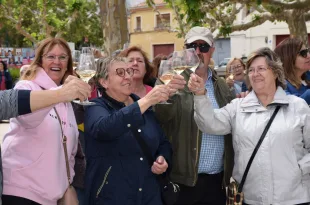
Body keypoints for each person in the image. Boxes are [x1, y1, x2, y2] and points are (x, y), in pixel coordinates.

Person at [189, 47, 310, 205]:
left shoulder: (297, 106)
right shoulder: (238, 107)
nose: (255, 74)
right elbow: (209, 123)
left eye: (261, 69)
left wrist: (300, 170)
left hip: (293, 198)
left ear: (275, 72)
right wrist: (199, 95)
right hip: (251, 199)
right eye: (251, 70)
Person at [155, 26, 234, 205]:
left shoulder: (221, 85)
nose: (198, 52)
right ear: (185, 50)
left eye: (203, 47)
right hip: (183, 182)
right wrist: (165, 97)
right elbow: (159, 119)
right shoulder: (170, 80)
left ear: (212, 50)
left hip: (217, 181)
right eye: (192, 47)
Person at [2, 37, 80, 205]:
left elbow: (70, 151)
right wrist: (61, 92)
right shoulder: (26, 87)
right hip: (21, 190)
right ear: (40, 60)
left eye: (62, 57)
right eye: (50, 56)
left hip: (52, 197)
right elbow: (29, 120)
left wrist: (67, 185)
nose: (57, 61)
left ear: (68, 63)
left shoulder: (67, 101)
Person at [83, 57, 172, 205]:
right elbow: (105, 128)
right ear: (104, 82)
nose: (128, 77)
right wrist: (145, 102)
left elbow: (163, 142)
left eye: (129, 71)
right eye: (120, 72)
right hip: (112, 198)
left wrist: (163, 158)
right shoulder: (95, 107)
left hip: (149, 196)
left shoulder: (146, 109)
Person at [274, 37, 310, 104]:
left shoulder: (307, 76)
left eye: (308, 51)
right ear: (288, 58)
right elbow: (291, 106)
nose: (308, 56)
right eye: (303, 53)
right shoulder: (280, 85)